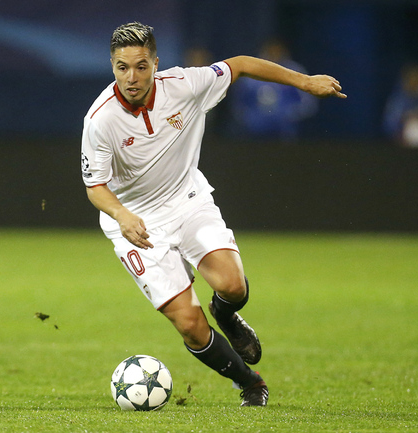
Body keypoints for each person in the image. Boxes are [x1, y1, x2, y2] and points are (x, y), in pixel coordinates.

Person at [81, 22, 346, 407]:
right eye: (122, 67)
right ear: (112, 66)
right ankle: (251, 383)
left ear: (156, 63)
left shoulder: (186, 85)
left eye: (141, 66)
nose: (132, 77)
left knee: (232, 285)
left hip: (187, 201)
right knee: (189, 326)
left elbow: (240, 65)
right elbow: (96, 187)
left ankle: (226, 313)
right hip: (135, 224)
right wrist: (122, 215)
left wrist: (305, 82)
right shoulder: (100, 120)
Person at [229, 39, 319, 141]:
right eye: (271, 52)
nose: (274, 55)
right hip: (254, 131)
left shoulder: (295, 72)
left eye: (277, 51)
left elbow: (308, 103)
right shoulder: (250, 73)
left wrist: (288, 114)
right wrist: (250, 118)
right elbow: (238, 104)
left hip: (284, 131)